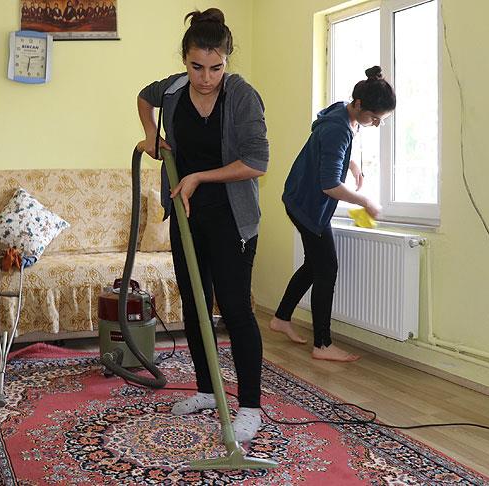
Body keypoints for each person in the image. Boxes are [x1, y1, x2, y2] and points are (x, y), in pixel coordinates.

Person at [136, 8, 268, 442]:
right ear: (184, 59)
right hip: (186, 214)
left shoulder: (243, 96)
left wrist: (198, 177)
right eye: (197, 67)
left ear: (227, 61)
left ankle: (250, 406)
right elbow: (143, 95)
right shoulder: (173, 90)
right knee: (195, 305)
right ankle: (209, 391)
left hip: (232, 217)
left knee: (234, 309)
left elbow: (255, 163)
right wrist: (153, 138)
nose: (206, 77)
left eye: (216, 67)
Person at [270, 66, 396, 362]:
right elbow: (329, 186)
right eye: (375, 118)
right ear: (360, 105)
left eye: (382, 121)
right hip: (307, 205)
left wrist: (350, 164)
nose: (376, 124)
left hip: (300, 198)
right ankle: (323, 344)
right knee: (327, 268)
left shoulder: (343, 113)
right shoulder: (338, 127)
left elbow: (327, 150)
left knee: (314, 265)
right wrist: (364, 201)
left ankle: (281, 319)